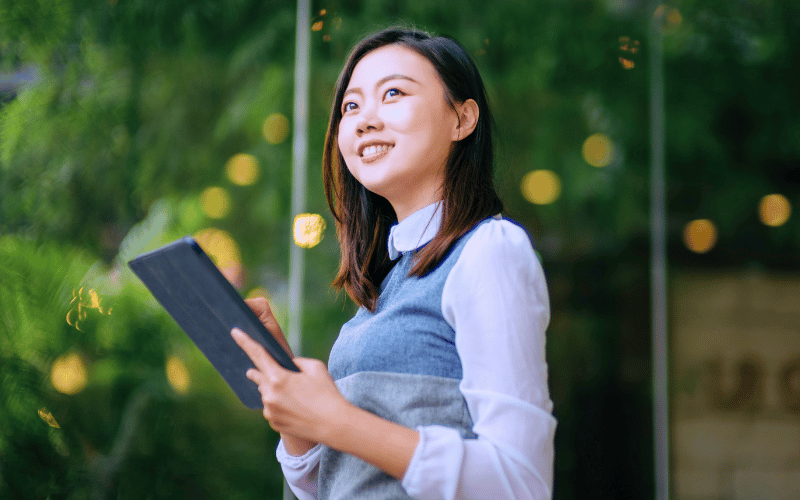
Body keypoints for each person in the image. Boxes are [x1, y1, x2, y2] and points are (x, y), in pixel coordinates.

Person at [231, 27, 556, 499]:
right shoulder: (384, 287)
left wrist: (337, 421)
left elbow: (520, 481)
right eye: (351, 106)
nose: (364, 120)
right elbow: (340, 487)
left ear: (462, 120)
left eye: (394, 93)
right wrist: (295, 409)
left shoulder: (490, 250)